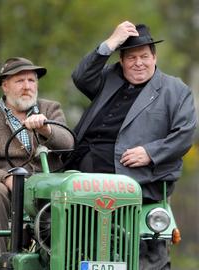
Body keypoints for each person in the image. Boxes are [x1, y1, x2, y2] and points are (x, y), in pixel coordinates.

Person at [69, 21, 197, 269]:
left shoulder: (175, 90)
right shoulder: (108, 79)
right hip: (82, 173)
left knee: (145, 256)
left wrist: (150, 152)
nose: (139, 63)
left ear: (154, 57)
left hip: (137, 179)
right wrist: (110, 43)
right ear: (121, 61)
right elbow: (80, 77)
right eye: (131, 58)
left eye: (144, 56)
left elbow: (184, 134)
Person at [0, 57, 74, 270]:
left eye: (31, 81)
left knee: (78, 186)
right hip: (8, 192)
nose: (27, 86)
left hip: (47, 188)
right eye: (20, 81)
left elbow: (69, 143)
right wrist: (6, 179)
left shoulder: (50, 109)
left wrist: (46, 130)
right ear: (5, 85)